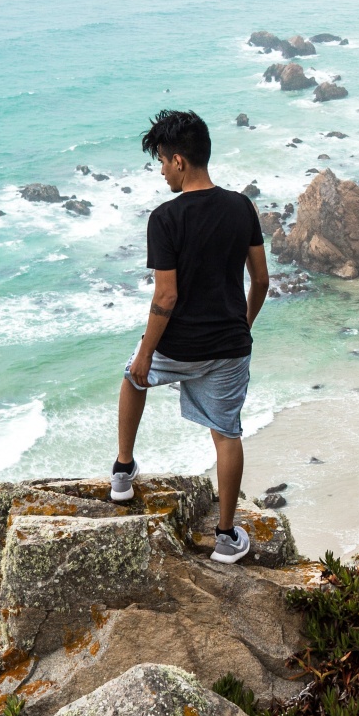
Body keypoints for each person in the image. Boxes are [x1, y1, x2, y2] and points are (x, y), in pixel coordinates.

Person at [111, 107, 269, 562]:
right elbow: (260, 280)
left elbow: (166, 296)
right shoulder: (242, 206)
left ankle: (123, 472)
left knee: (132, 378)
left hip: (177, 345)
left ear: (180, 161)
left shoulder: (165, 218)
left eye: (162, 161)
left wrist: (146, 353)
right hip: (228, 346)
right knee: (226, 434)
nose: (161, 171)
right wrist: (245, 323)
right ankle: (225, 537)